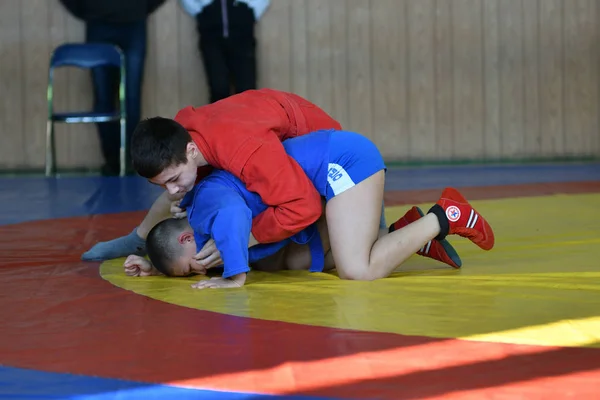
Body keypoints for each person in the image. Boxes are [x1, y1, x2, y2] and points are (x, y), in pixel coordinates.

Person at [129, 129, 483, 289]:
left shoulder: (208, 203)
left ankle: (446, 216)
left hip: (340, 160)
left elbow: (233, 219)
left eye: (193, 269)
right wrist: (157, 264)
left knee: (357, 271)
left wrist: (233, 275)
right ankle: (405, 233)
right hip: (321, 182)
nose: (201, 271)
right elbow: (176, 246)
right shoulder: (194, 227)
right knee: (296, 260)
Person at [81, 88, 343, 261]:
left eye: (170, 180)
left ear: (192, 150)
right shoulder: (181, 136)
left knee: (292, 262)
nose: (169, 188)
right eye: (160, 184)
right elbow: (178, 181)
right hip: (260, 134)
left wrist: (239, 238)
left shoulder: (247, 153)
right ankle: (138, 239)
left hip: (330, 155)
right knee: (180, 194)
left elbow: (303, 206)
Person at [58, 0, 166, 175]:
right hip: (98, 23)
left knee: (132, 98)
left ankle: (131, 161)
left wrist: (142, 7)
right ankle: (112, 162)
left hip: (134, 22)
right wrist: (87, 9)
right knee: (103, 98)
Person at [179, 0, 270, 103]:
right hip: (211, 39)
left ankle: (248, 118)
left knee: (247, 89)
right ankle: (219, 119)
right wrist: (202, 9)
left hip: (243, 38)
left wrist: (250, 10)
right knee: (219, 88)